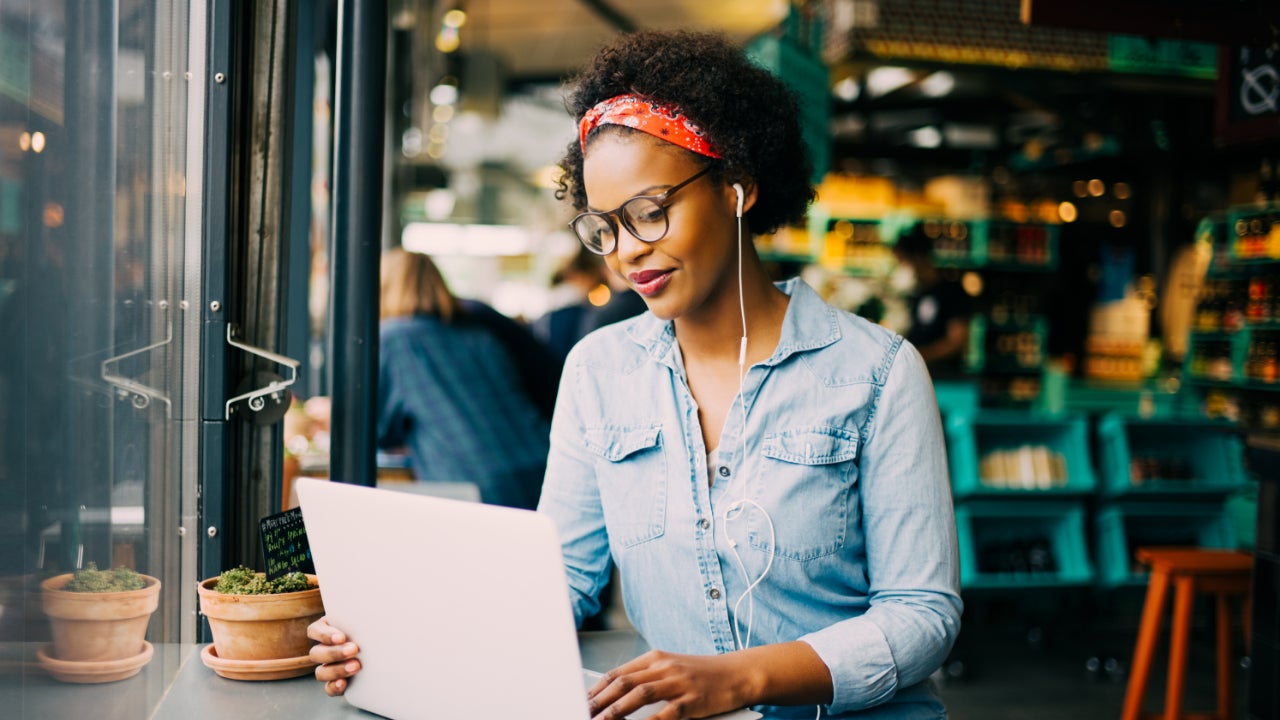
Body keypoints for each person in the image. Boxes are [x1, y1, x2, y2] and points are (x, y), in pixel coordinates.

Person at [311, 30, 961, 719]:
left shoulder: (877, 371)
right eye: (604, 228)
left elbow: (923, 615)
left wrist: (740, 679)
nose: (625, 254)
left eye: (650, 214)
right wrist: (392, 638)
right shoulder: (600, 370)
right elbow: (557, 581)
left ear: (737, 188)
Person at [375, 247, 550, 510]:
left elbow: (379, 432)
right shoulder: (479, 335)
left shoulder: (394, 339)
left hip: (474, 487)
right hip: (540, 468)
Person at [892, 224, 973, 378]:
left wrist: (918, 356)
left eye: (903, 262)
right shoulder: (913, 294)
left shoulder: (951, 291)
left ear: (918, 258)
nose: (900, 268)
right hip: (914, 374)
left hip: (943, 378)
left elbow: (956, 340)